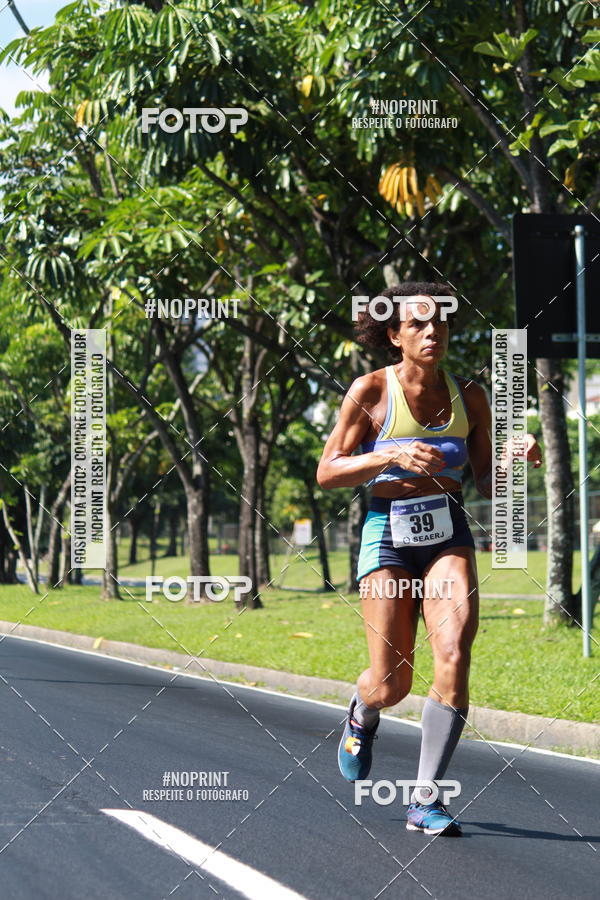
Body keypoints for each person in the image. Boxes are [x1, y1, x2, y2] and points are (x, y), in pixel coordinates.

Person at [316, 282, 542, 836]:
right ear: (394, 336)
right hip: (387, 533)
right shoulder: (370, 392)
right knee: (391, 684)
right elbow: (326, 472)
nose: (431, 331)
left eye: (439, 323)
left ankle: (425, 799)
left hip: (448, 532)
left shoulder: (471, 396)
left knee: (454, 650)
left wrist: (516, 453)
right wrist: (389, 452)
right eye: (416, 324)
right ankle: (362, 712)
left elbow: (486, 480)